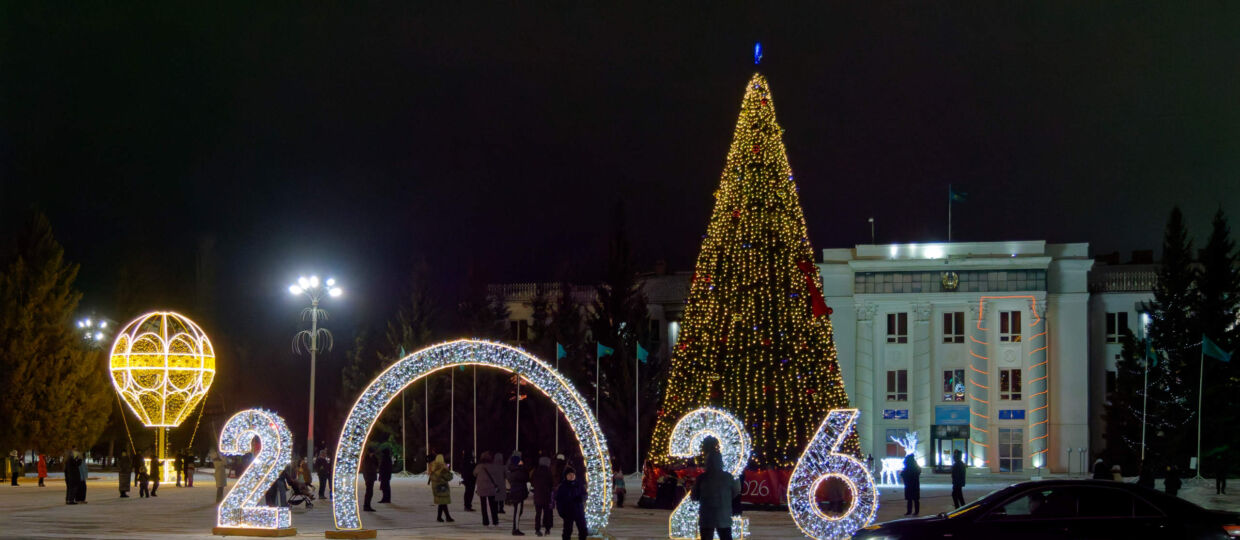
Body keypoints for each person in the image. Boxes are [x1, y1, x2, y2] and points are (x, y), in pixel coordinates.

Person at [691, 437, 740, 540]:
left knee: (706, 536)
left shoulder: (702, 478)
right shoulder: (728, 477)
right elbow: (736, 491)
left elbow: (694, 496)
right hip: (724, 515)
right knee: (726, 536)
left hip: (706, 517)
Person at [555, 467, 588, 540]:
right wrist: (561, 512)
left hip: (579, 511)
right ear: (566, 476)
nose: (572, 476)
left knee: (583, 530)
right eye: (569, 474)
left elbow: (585, 494)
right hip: (568, 512)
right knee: (567, 531)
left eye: (573, 474)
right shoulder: (562, 487)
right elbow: (559, 501)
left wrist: (581, 498)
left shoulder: (579, 485)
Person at [475, 451, 500, 527]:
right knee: (493, 506)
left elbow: (474, 473)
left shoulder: (479, 466)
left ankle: (485, 521)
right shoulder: (493, 466)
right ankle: (495, 521)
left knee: (483, 506)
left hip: (481, 488)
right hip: (491, 489)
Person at [507, 454, 530, 536]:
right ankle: (515, 529)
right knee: (517, 511)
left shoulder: (512, 470)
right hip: (518, 493)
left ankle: (516, 527)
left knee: (518, 511)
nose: (522, 461)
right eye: (520, 460)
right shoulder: (519, 471)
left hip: (516, 492)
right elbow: (525, 477)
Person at [532, 456, 554, 537]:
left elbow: (532, 482)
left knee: (538, 514)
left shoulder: (536, 471)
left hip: (537, 495)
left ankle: (537, 529)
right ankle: (547, 529)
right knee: (547, 513)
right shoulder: (549, 472)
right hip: (546, 496)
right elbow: (551, 483)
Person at [429, 454, 454, 522]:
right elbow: (449, 477)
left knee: (441, 502)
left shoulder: (433, 467)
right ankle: (447, 517)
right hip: (442, 487)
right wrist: (448, 470)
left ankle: (439, 517)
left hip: (436, 487)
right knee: (443, 502)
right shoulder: (442, 468)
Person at [361, 448, 378, 512]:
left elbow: (376, 465)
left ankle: (367, 505)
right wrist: (367, 477)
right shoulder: (367, 459)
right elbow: (367, 469)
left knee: (370, 492)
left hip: (371, 477)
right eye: (371, 453)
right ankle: (366, 506)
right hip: (369, 477)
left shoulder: (373, 458)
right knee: (369, 492)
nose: (372, 454)